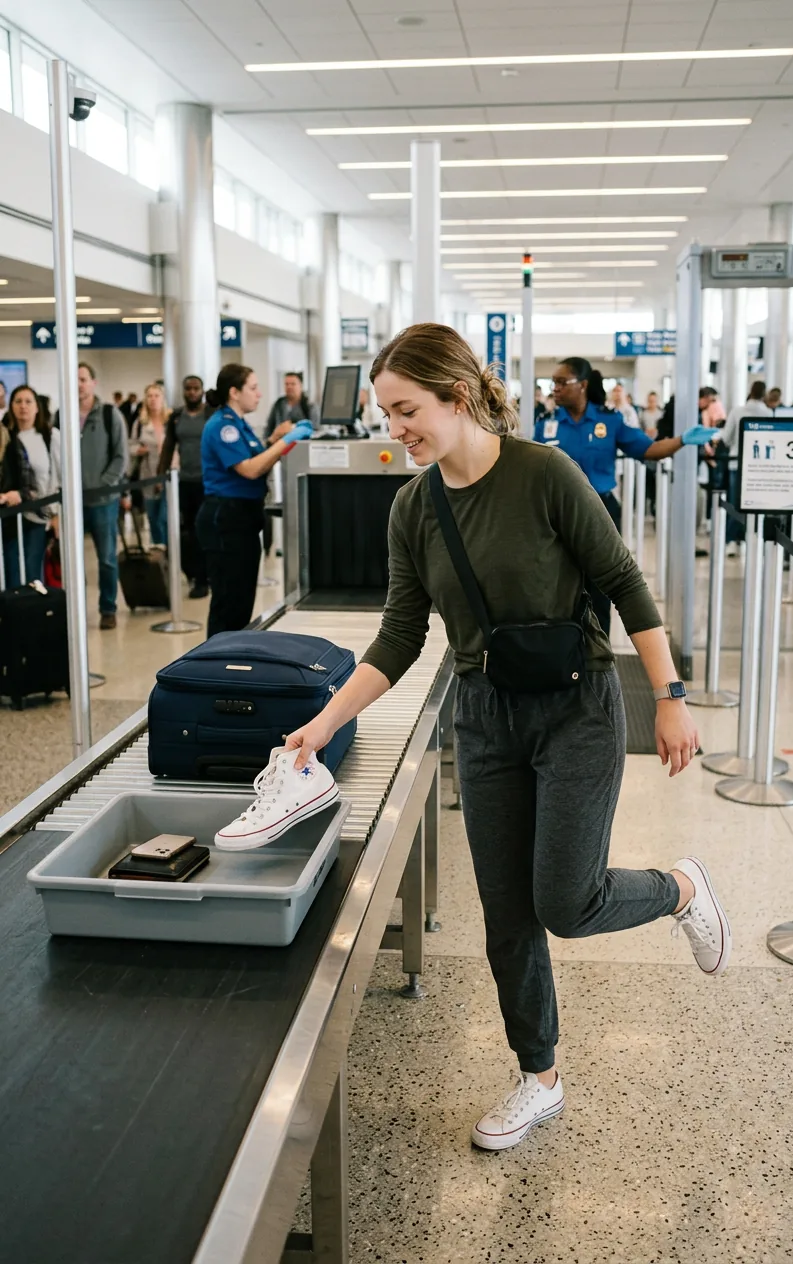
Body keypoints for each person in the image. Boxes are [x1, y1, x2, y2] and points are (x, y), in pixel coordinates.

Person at [282, 322, 732, 1152]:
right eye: (386, 415)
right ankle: (540, 1076)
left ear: (456, 397)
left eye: (406, 410)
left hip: (577, 709)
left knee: (567, 900)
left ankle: (680, 888)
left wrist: (670, 696)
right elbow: (397, 639)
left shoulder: (544, 474)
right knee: (507, 917)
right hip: (484, 720)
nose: (396, 430)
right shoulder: (413, 508)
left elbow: (623, 583)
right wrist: (321, 724)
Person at [535, 358, 719, 635]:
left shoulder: (609, 421)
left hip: (600, 511)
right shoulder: (546, 425)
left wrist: (682, 440)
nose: (555, 388)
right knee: (555, 586)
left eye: (563, 382)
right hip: (555, 515)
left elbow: (649, 449)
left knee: (599, 589)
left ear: (583, 385)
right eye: (555, 383)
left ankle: (599, 655)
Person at [196, 364, 312, 638]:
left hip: (242, 517)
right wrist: (287, 442)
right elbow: (249, 469)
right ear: (234, 392)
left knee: (241, 598)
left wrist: (274, 439)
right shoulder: (223, 426)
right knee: (229, 603)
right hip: (226, 517)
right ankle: (218, 667)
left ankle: (231, 659)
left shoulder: (238, 424)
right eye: (253, 388)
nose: (259, 394)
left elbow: (253, 454)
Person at [76, 362, 129, 630]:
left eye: (83, 379)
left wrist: (105, 485)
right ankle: (76, 608)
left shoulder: (110, 414)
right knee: (74, 561)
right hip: (73, 502)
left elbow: (121, 456)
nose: (78, 384)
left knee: (106, 557)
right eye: (75, 379)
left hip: (103, 501)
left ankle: (108, 608)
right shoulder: (62, 415)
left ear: (93, 383)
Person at [0, 387, 60, 585]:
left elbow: (58, 479)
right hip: (11, 517)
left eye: (28, 401)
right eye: (18, 401)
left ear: (37, 407)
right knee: (13, 574)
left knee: (34, 572)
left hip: (41, 516)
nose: (23, 406)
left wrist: (56, 516)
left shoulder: (50, 436)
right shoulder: (5, 437)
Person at [159, 374, 212, 598]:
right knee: (187, 531)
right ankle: (193, 574)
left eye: (195, 388)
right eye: (188, 388)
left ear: (202, 390)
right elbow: (169, 446)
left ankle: (204, 578)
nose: (192, 392)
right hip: (185, 481)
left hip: (207, 481)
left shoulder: (210, 414)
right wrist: (160, 476)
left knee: (205, 530)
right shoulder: (177, 417)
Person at [719, 381, 770, 556]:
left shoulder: (737, 411)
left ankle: (732, 540)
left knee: (735, 503)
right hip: (758, 466)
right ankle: (754, 538)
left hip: (737, 463)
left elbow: (726, 438)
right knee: (756, 504)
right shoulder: (768, 413)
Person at [129, 383, 170, 546]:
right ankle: (158, 552)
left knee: (165, 518)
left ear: (162, 398)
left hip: (169, 475)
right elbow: (131, 445)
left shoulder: (170, 420)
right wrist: (139, 449)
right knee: (153, 518)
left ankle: (170, 551)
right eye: (149, 396)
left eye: (157, 396)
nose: (153, 400)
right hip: (148, 475)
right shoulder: (140, 423)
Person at [263, 371, 319, 441]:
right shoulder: (278, 404)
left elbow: (316, 431)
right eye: (286, 384)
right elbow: (269, 428)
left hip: (301, 445)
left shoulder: (310, 406)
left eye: (293, 384)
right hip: (279, 446)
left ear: (300, 386)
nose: (289, 387)